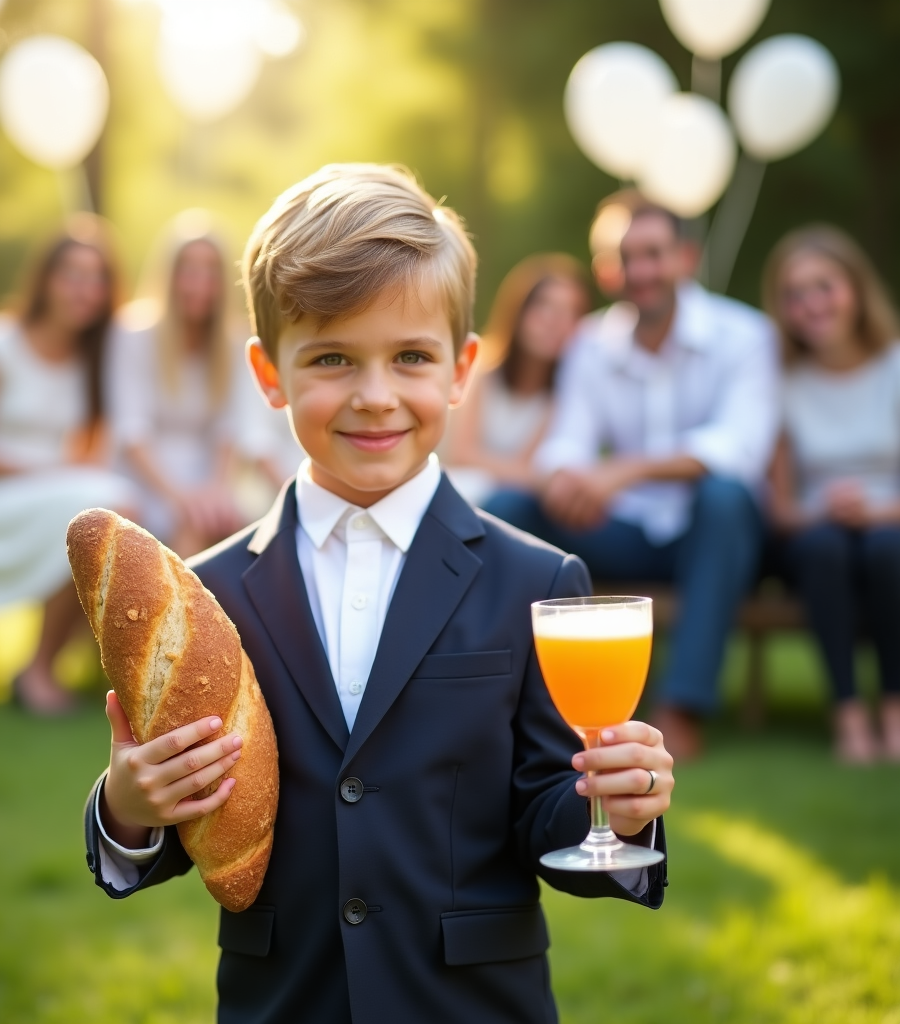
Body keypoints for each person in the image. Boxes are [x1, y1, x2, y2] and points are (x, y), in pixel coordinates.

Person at [82, 164, 674, 1024]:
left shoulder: (537, 581)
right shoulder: (209, 593)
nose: (374, 395)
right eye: (331, 358)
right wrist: (128, 810)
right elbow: (186, 829)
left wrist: (617, 815)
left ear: (462, 367)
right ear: (268, 372)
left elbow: (550, 813)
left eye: (410, 357)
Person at [484, 197, 779, 760]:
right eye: (625, 257)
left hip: (716, 537)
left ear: (686, 258)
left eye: (654, 254)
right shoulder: (590, 345)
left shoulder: (744, 335)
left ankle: (683, 707)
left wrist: (622, 471)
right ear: (605, 271)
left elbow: (740, 447)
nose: (641, 270)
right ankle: (511, 697)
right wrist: (570, 480)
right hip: (622, 528)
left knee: (725, 496)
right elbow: (566, 440)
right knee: (510, 507)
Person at [0, 217, 136, 714]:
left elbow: (90, 451)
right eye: (72, 274)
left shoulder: (95, 360)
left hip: (54, 499)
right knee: (99, 508)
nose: (83, 290)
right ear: (45, 279)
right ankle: (40, 670)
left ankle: (74, 665)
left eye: (96, 279)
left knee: (102, 513)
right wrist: (43, 473)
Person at [764, 225, 900, 763]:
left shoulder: (895, 365)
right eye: (796, 295)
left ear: (856, 289)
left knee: (886, 548)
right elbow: (778, 506)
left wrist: (878, 511)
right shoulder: (782, 379)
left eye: (825, 286)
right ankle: (847, 714)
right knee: (826, 548)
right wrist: (822, 511)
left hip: (890, 524)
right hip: (814, 532)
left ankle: (893, 708)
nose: (812, 304)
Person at [106, 212, 243, 558]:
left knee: (245, 527)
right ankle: (179, 611)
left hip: (209, 473)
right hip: (144, 477)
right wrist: (181, 497)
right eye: (189, 270)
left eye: (211, 271)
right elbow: (131, 432)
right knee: (191, 525)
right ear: (169, 274)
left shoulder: (233, 341)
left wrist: (216, 489)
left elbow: (230, 426)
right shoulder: (132, 333)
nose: (200, 283)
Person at [445, 254, 591, 506]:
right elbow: (461, 454)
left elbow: (526, 470)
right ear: (520, 309)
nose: (555, 322)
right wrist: (537, 478)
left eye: (571, 312)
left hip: (502, 504)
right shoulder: (480, 367)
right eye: (546, 306)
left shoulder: (561, 395)